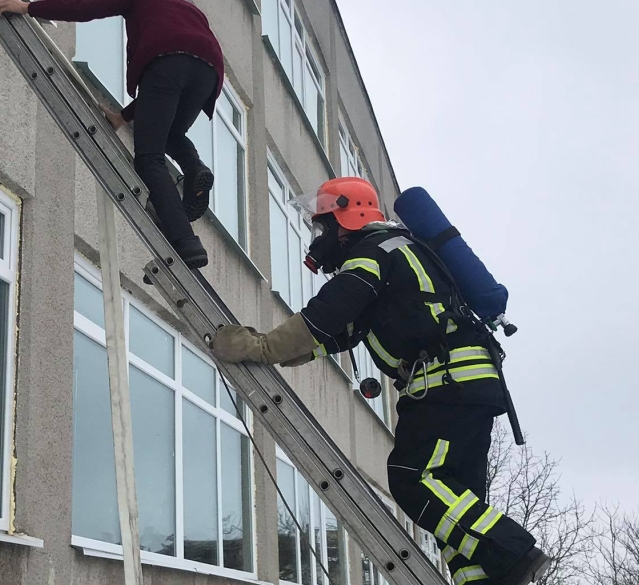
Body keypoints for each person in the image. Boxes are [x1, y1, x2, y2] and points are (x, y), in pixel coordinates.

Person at [211, 177, 551, 585]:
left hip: (446, 386)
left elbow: (327, 314)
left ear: (347, 218)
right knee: (455, 504)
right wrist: (285, 353)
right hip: (466, 384)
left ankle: (514, 552)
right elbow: (339, 333)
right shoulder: (400, 256)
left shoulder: (373, 254)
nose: (320, 237)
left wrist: (262, 348)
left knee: (413, 480)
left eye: (324, 225)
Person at [0, 0, 222, 269]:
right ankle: (195, 170)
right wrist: (122, 117)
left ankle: (187, 242)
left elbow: (87, 8)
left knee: (149, 159)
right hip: (208, 69)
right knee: (171, 133)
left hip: (168, 61)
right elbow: (165, 83)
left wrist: (29, 8)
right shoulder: (186, 8)